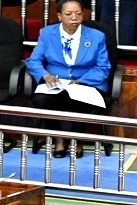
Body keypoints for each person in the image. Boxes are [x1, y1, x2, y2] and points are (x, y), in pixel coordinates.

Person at [26, 0, 110, 158]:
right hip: (55, 82)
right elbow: (34, 60)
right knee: (41, 100)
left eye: (78, 14)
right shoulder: (47, 33)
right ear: (59, 16)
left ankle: (76, 140)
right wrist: (45, 75)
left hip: (85, 82)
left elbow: (103, 67)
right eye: (69, 14)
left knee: (77, 100)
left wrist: (82, 81)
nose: (74, 17)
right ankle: (58, 139)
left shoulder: (96, 36)